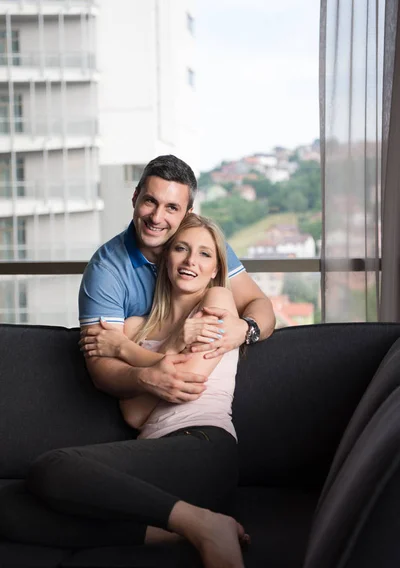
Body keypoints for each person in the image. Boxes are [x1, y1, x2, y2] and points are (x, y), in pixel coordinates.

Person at [0, 213, 249, 568]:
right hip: (155, 463)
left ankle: (204, 525)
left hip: (203, 449)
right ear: (166, 258)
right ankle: (182, 529)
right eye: (181, 248)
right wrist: (168, 346)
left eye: (205, 254)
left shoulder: (218, 301)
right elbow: (134, 414)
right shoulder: (137, 324)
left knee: (53, 467)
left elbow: (182, 383)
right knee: (8, 508)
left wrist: (126, 351)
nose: (192, 260)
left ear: (215, 269)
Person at [79, 154, 275, 410]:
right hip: (132, 406)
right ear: (135, 198)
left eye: (172, 207)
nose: (157, 217)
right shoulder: (106, 270)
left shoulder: (204, 247)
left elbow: (259, 305)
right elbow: (102, 369)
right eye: (150, 201)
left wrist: (246, 329)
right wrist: (147, 379)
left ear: (187, 214)